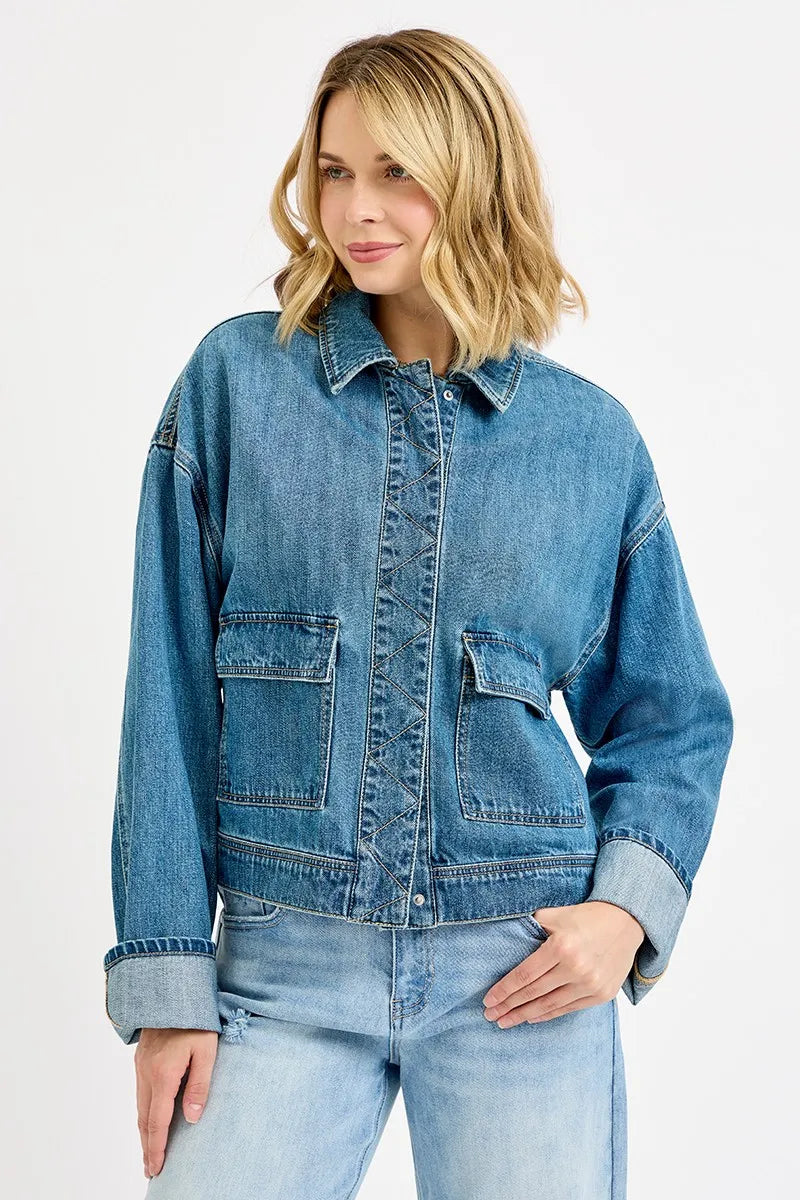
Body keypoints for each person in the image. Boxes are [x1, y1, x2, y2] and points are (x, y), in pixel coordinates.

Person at [103, 28, 734, 1199]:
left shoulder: (586, 441)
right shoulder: (236, 387)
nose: (357, 208)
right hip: (280, 971)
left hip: (520, 970)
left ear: (471, 173)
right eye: (334, 171)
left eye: (397, 171)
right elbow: (168, 697)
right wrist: (166, 981)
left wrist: (623, 916)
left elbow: (674, 716)